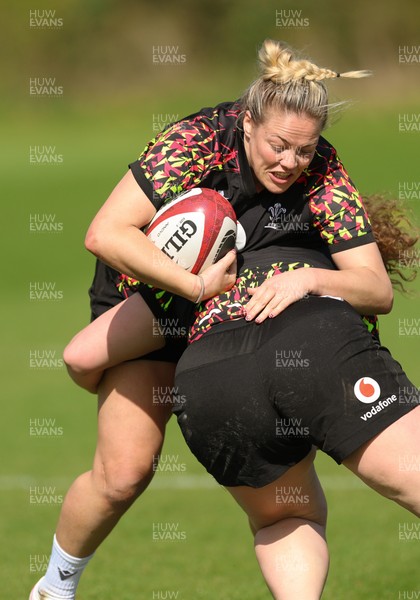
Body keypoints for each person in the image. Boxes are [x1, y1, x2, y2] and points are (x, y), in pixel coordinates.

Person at [29, 39, 418, 599]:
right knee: (125, 473)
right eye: (279, 146)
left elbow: (375, 287)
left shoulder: (322, 168)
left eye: (304, 152)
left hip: (229, 305)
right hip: (153, 285)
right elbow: (106, 234)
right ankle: (55, 587)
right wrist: (193, 285)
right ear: (249, 121)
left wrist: (307, 279)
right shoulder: (198, 140)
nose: (290, 163)